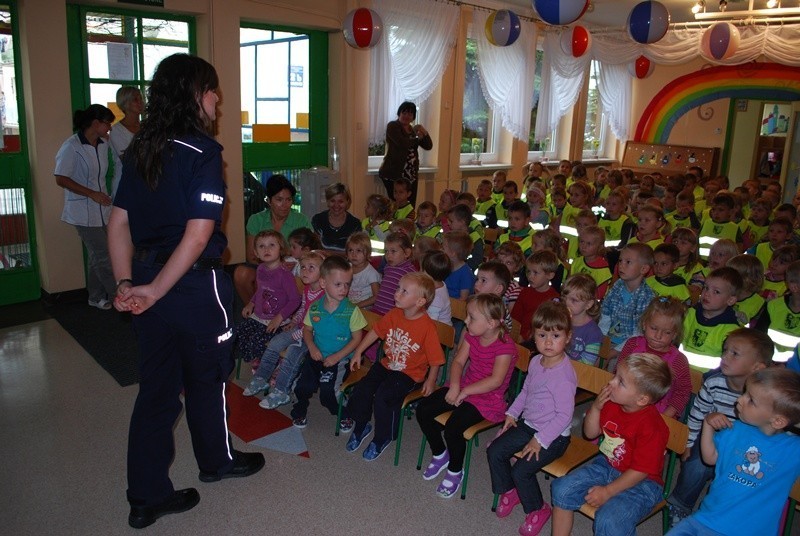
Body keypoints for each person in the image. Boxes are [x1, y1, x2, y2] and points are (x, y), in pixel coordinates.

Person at [107, 54, 264, 529]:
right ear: (197, 93)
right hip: (193, 286)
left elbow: (118, 224)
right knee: (209, 379)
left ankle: (146, 497)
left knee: (156, 390)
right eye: (213, 91)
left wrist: (127, 284)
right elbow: (198, 235)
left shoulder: (141, 150)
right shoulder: (202, 152)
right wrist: (151, 289)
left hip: (150, 280)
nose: (218, 100)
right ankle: (216, 462)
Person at [551, 353, 673, 536]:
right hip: (608, 465)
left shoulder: (653, 427)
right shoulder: (613, 402)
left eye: (620, 382)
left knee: (610, 519)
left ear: (641, 399)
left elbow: (641, 471)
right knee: (561, 489)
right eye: (615, 375)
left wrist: (608, 491)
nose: (611, 383)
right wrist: (596, 408)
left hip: (643, 482)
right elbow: (590, 433)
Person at [668, 368, 800, 536]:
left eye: (751, 400)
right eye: (745, 393)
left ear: (779, 420)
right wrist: (707, 425)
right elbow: (710, 458)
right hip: (705, 519)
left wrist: (793, 413)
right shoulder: (735, 428)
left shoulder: (793, 449)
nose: (740, 400)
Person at [666, 328, 773, 528]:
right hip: (711, 437)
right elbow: (697, 414)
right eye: (725, 350)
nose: (725, 356)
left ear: (757, 367)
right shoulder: (714, 383)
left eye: (735, 353)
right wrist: (688, 443)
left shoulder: (764, 395)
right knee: (696, 466)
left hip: (746, 446)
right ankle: (680, 504)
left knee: (744, 478)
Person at [487, 301, 576, 536]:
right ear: (533, 336)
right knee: (495, 451)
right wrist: (512, 414)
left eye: (555, 335)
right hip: (529, 424)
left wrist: (540, 440)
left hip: (553, 436)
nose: (548, 341)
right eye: (542, 334)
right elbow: (526, 392)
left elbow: (564, 416)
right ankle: (511, 490)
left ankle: (538, 508)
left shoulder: (564, 376)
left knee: (521, 470)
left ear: (567, 338)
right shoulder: (536, 361)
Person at [417, 293, 518, 498]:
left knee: (454, 427)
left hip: (488, 398)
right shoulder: (472, 335)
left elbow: (496, 381)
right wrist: (455, 386)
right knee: (423, 410)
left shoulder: (505, 346)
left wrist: (464, 392)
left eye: (471, 317)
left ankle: (455, 470)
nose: (465, 321)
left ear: (491, 323)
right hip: (465, 386)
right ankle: (439, 453)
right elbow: (458, 362)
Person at [345, 272, 446, 461]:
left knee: (385, 396)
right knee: (363, 389)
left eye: (404, 291)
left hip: (410, 374)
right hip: (387, 364)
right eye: (398, 288)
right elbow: (376, 332)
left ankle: (382, 437)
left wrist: (431, 380)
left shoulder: (427, 327)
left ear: (419, 302)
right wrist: (359, 351)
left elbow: (436, 359)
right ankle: (362, 424)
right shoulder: (394, 314)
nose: (396, 293)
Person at [290, 255, 366, 430]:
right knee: (303, 386)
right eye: (338, 284)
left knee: (327, 392)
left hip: (339, 359)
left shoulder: (351, 311)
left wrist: (337, 357)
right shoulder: (315, 307)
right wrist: (311, 346)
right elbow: (308, 330)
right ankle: (299, 411)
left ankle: (342, 413)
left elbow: (357, 338)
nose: (344, 289)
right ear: (323, 283)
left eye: (347, 284)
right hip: (316, 354)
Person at [243, 251, 325, 409]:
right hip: (300, 329)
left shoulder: (324, 297)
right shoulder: (308, 289)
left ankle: (282, 391)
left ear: (323, 273)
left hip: (313, 337)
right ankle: (260, 378)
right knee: (274, 344)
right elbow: (303, 309)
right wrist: (294, 322)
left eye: (311, 268)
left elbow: (316, 324)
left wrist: (296, 333)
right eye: (303, 267)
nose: (305, 271)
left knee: (292, 355)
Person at [55, 103, 118, 310]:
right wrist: (92, 194)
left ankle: (95, 296)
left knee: (98, 254)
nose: (109, 127)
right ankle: (119, 297)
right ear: (95, 123)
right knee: (103, 255)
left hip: (102, 209)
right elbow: (61, 178)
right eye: (107, 123)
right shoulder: (71, 146)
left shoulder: (102, 143)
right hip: (82, 211)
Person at [234, 174, 311, 303]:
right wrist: (275, 265)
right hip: (263, 265)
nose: (285, 205)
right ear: (269, 201)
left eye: (288, 200)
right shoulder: (256, 220)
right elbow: (251, 256)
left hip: (293, 267)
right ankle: (255, 312)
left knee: (300, 278)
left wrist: (295, 262)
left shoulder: (301, 220)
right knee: (241, 274)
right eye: (279, 199)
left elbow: (311, 251)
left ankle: (295, 315)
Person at [235, 230, 301, 371]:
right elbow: (260, 290)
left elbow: (295, 300)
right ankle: (257, 360)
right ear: (256, 252)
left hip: (277, 321)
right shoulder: (260, 269)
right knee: (240, 332)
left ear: (280, 249)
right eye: (261, 246)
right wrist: (251, 303)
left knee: (257, 341)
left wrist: (279, 318)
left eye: (272, 245)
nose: (266, 249)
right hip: (259, 317)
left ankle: (268, 365)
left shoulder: (285, 275)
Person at [617, 296, 691, 418]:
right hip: (625, 406)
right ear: (645, 324)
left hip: (658, 414)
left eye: (667, 332)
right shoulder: (632, 344)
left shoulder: (679, 360)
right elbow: (618, 375)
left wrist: (667, 415)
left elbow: (682, 392)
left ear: (675, 334)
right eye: (654, 328)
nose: (658, 336)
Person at [680, 267, 742, 371]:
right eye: (706, 287)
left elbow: (729, 363)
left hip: (708, 381)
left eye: (716, 292)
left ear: (730, 300)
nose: (707, 293)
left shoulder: (732, 331)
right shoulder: (690, 313)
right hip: (679, 371)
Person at [599, 243, 656, 356]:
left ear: (644, 269)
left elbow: (638, 333)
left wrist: (614, 352)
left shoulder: (646, 297)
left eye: (628, 262)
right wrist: (601, 340)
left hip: (631, 347)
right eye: (620, 261)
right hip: (608, 340)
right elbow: (605, 315)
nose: (621, 265)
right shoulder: (617, 286)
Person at [378, 101, 432, 206]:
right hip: (394, 174)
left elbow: (428, 146)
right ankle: (396, 223)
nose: (407, 116)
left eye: (410, 114)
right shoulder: (393, 126)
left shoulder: (413, 130)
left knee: (410, 205)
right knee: (397, 204)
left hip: (411, 175)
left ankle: (408, 222)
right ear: (399, 113)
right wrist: (417, 137)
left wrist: (424, 132)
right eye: (404, 113)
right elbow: (403, 143)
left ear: (413, 117)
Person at [512, 250, 560, 341]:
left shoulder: (554, 300)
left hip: (538, 341)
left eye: (535, 273)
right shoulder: (525, 292)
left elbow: (549, 328)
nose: (530, 276)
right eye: (528, 272)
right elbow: (515, 319)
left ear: (550, 275)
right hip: (517, 338)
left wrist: (525, 338)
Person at [560, 274, 603, 366]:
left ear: (588, 304)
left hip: (577, 374)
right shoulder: (560, 320)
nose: (566, 303)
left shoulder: (593, 332)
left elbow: (587, 363)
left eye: (574, 300)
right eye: (564, 298)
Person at [108, 86, 144, 194]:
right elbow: (128, 160)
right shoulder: (116, 130)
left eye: (141, 99)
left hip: (145, 184)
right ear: (125, 103)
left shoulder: (147, 127)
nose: (140, 103)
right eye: (135, 99)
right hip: (125, 184)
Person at [310, 182, 362, 251]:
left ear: (347, 202)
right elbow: (314, 248)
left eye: (340, 201)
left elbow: (356, 252)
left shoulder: (355, 224)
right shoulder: (318, 220)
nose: (336, 205)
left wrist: (329, 254)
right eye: (332, 201)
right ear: (327, 201)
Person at [346, 231, 381, 310]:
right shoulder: (347, 268)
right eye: (350, 250)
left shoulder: (371, 273)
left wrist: (356, 306)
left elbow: (376, 296)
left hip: (365, 308)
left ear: (368, 253)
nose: (354, 254)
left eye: (358, 250)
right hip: (350, 305)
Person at [422, 250, 452, 326]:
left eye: (423, 271)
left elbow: (431, 322)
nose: (420, 272)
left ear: (430, 276)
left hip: (441, 331)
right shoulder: (439, 283)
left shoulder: (437, 297)